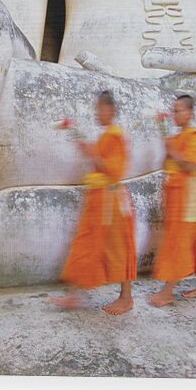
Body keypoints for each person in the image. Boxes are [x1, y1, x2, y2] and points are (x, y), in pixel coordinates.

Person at [50, 91, 137, 315]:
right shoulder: (106, 136)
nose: (96, 112)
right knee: (85, 243)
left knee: (118, 248)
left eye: (99, 108)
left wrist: (92, 153)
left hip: (111, 201)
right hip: (98, 199)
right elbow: (99, 160)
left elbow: (114, 171)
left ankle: (126, 298)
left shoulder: (116, 136)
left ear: (110, 110)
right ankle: (73, 295)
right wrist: (86, 146)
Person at [149, 95, 196, 307]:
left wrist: (172, 151)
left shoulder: (195, 136)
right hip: (178, 197)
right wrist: (162, 130)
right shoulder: (178, 137)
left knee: (179, 243)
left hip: (189, 200)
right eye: (173, 110)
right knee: (190, 242)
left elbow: (188, 165)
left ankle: (168, 291)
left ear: (190, 113)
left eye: (178, 111)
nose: (174, 115)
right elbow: (170, 160)